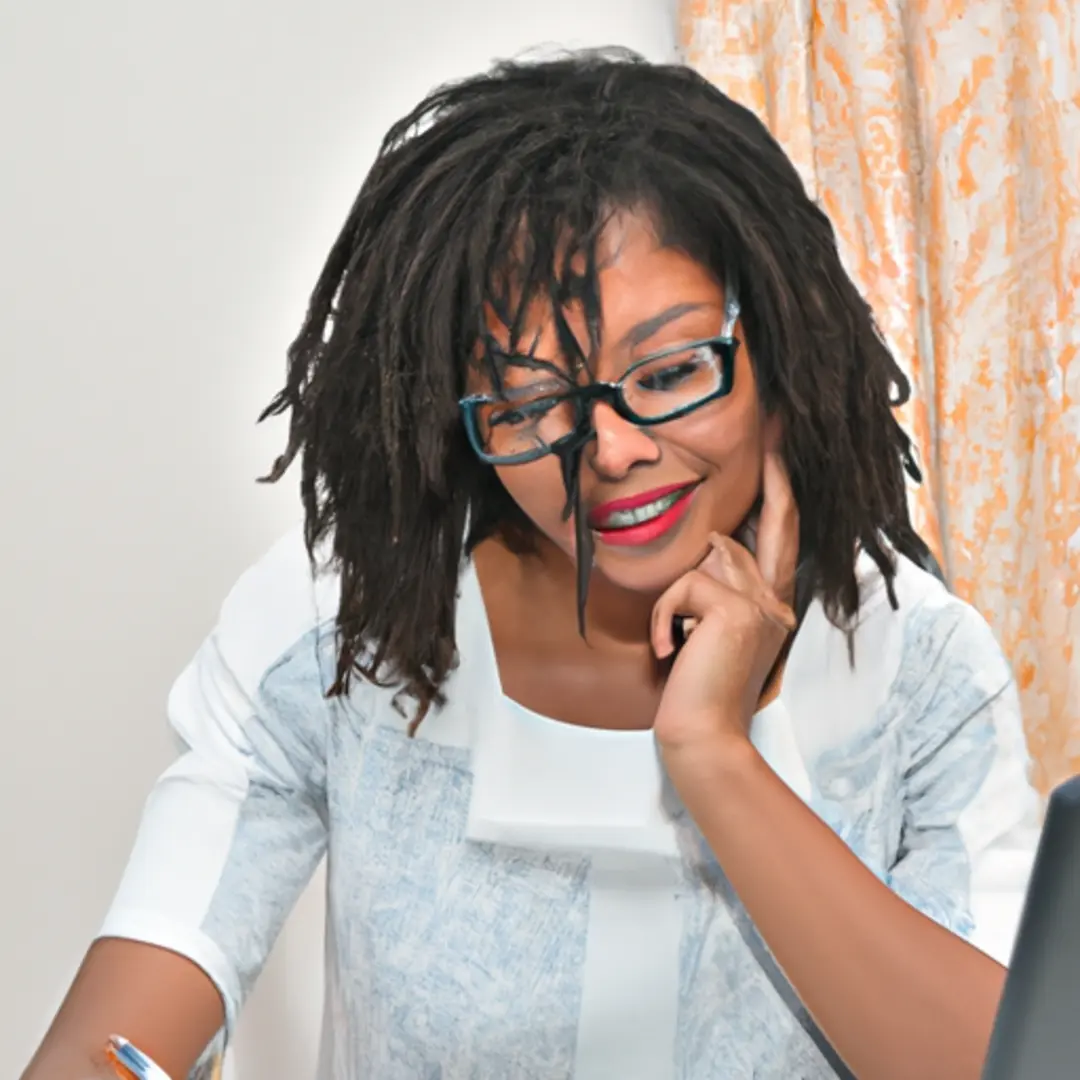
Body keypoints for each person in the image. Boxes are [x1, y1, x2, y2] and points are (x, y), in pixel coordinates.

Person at [23, 48, 1038, 1080]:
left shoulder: (920, 669)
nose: (609, 450)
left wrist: (714, 756)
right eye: (529, 402)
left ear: (782, 349)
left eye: (672, 370)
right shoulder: (344, 625)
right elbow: (117, 1026)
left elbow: (998, 1066)